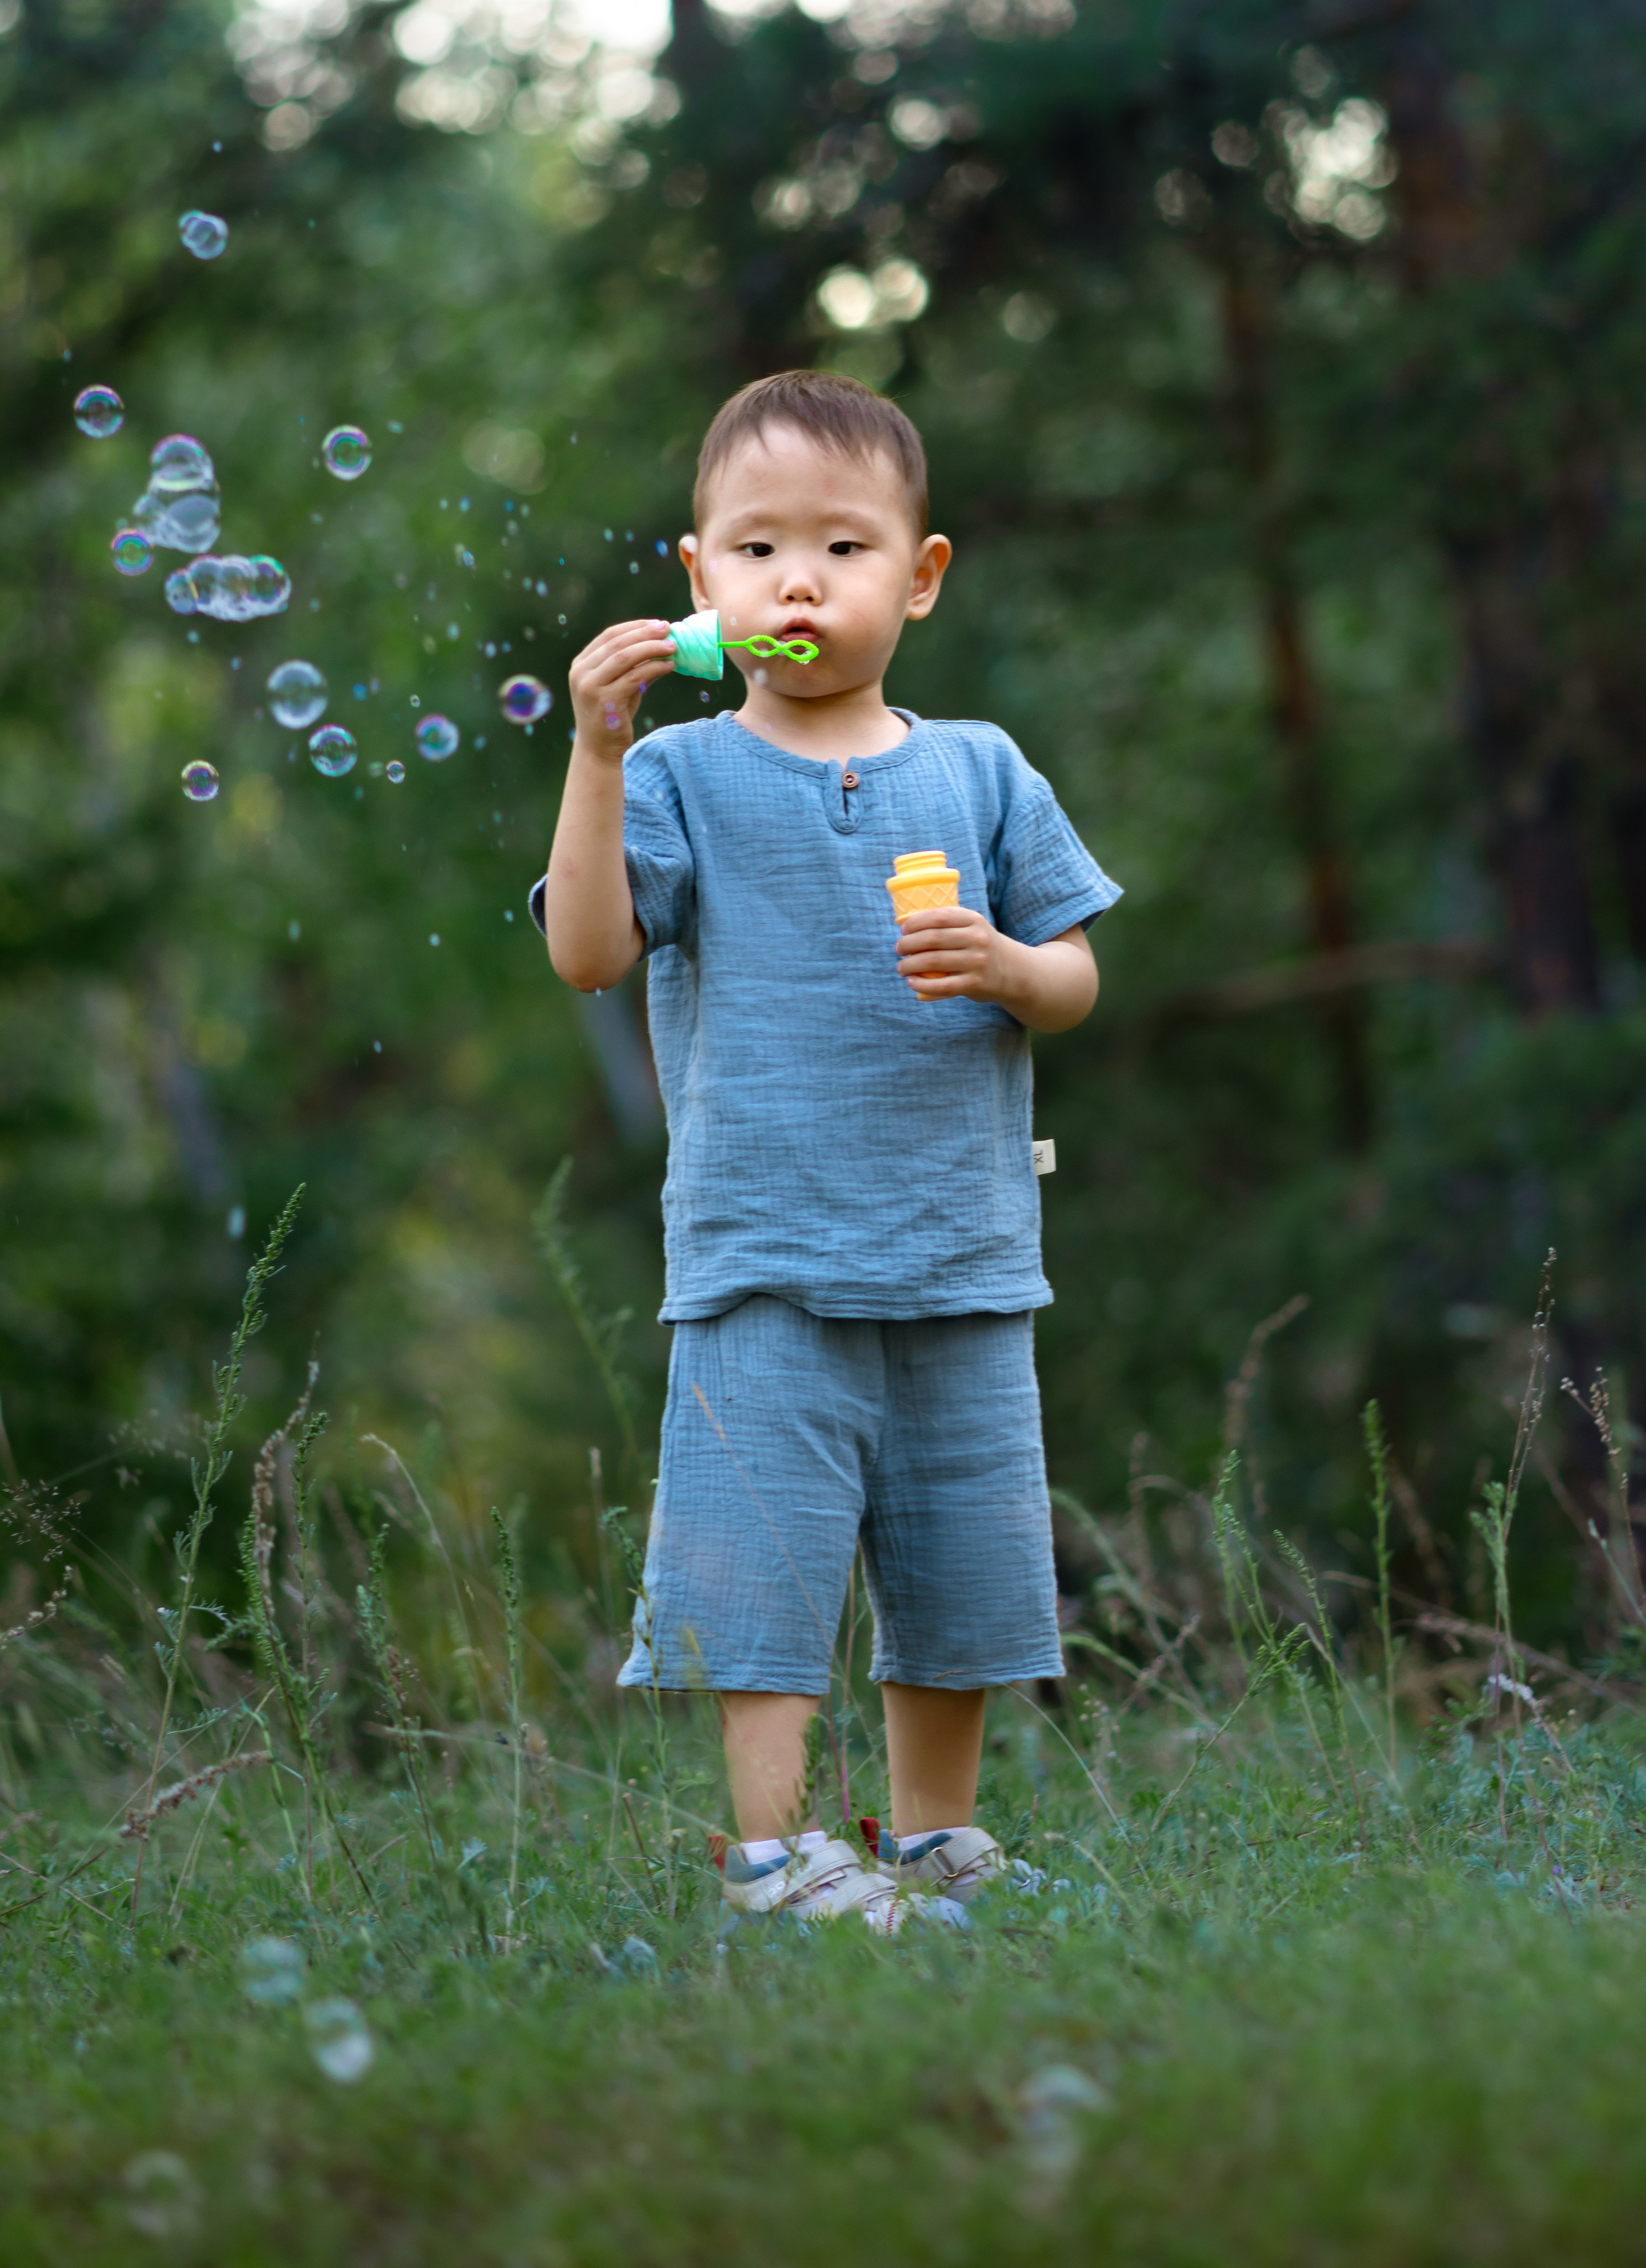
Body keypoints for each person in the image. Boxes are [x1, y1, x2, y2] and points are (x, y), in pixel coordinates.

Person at [532, 368, 1119, 1932]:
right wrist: (595, 755)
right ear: (698, 578)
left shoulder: (980, 770)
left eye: (846, 549)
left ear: (919, 580)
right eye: (759, 548)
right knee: (763, 1569)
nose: (799, 580)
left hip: (959, 1248)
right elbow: (588, 954)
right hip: (763, 1256)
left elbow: (1072, 977)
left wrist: (1009, 967)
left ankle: (932, 1839)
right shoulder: (675, 777)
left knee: (965, 1563)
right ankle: (774, 1854)